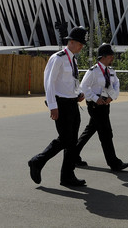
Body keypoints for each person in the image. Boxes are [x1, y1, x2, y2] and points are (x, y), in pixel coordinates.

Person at [28, 27, 87, 187]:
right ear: (71, 42)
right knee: (65, 139)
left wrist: (79, 92)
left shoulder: (73, 59)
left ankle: (67, 176)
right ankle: (37, 161)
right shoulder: (58, 58)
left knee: (72, 141)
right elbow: (49, 83)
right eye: (80, 44)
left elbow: (73, 81)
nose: (82, 47)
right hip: (60, 104)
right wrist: (52, 106)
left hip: (72, 103)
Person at [74, 43, 128, 172]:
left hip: (105, 105)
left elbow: (116, 84)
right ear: (103, 57)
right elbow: (83, 87)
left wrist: (112, 97)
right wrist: (95, 98)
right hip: (95, 106)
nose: (112, 58)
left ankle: (73, 155)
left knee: (90, 131)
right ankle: (114, 163)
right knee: (106, 133)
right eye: (111, 56)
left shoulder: (110, 71)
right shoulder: (93, 71)